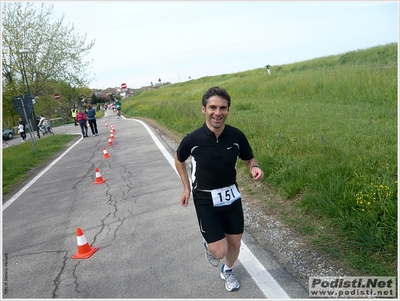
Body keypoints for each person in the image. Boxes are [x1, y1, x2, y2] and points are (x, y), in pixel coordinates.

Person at [174, 86, 264, 292]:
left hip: (231, 196)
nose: (218, 112)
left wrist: (255, 168)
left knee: (234, 243)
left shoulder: (236, 136)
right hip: (205, 199)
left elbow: (249, 159)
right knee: (218, 250)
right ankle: (210, 246)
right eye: (213, 107)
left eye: (222, 108)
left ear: (228, 111)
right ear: (203, 109)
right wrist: (186, 188)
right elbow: (179, 159)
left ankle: (228, 271)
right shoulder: (193, 140)